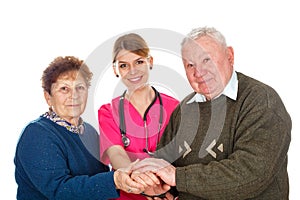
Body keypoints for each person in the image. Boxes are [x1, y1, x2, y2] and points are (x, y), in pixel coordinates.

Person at [132, 27, 292, 199]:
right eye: (190, 65)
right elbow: (163, 165)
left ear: (229, 56)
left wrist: (178, 177)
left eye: (206, 60)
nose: (199, 72)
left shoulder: (260, 101)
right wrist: (159, 189)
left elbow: (251, 173)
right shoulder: (183, 109)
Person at [14, 56, 146, 200]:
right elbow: (60, 190)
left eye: (80, 88)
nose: (74, 95)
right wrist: (114, 180)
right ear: (48, 97)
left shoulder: (89, 132)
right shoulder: (37, 134)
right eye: (64, 89)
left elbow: (101, 183)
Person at [98, 33, 179, 199]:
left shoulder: (175, 107)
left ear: (150, 62)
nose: (132, 71)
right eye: (124, 65)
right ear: (115, 70)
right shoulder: (108, 112)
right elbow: (117, 155)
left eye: (139, 61)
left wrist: (165, 192)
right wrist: (145, 186)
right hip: (129, 195)